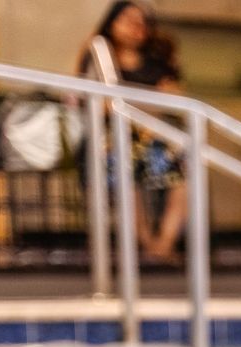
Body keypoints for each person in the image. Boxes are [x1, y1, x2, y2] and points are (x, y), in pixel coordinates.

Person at [79, 1, 187, 262]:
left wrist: (128, 102)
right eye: (127, 20)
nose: (135, 27)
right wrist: (150, 100)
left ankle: (164, 243)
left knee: (186, 170)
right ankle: (147, 243)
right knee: (124, 169)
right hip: (112, 138)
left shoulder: (159, 60)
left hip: (155, 137)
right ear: (111, 23)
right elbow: (101, 105)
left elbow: (175, 99)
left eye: (141, 21)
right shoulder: (99, 55)